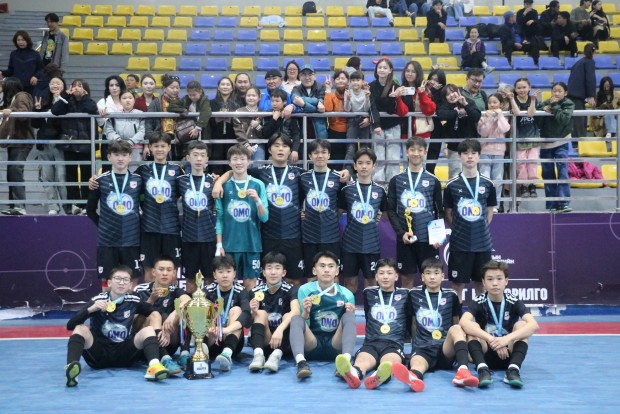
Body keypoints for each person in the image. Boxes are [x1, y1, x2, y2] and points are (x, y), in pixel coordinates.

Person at [213, 134, 305, 286]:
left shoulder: (299, 174)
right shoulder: (260, 173)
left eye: (284, 146)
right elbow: (236, 171)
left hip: (292, 234)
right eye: (276, 145)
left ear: (290, 151)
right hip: (267, 235)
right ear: (269, 150)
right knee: (263, 279)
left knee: (293, 279)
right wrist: (219, 183)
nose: (280, 149)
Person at [64, 266, 169, 387]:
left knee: (148, 330)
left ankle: (154, 367)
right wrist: (91, 309)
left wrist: (166, 325)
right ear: (109, 283)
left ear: (130, 285)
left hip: (125, 355)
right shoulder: (98, 300)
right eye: (118, 278)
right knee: (80, 328)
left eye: (125, 280)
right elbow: (70, 325)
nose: (121, 282)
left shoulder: (133, 301)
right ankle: (72, 370)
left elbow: (155, 311)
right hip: (99, 355)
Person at [392, 257, 479, 391]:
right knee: (417, 364)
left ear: (442, 276)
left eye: (436, 273)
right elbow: (413, 323)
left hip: (445, 349)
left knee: (456, 328)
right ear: (422, 277)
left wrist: (463, 351)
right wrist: (414, 347)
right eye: (428, 273)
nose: (432, 277)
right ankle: (414, 377)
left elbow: (456, 321)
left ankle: (463, 371)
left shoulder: (451, 295)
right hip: (423, 348)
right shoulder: (413, 294)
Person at [460, 260, 539, 388]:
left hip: (509, 354)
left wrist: (506, 339)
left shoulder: (513, 301)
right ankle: (482, 371)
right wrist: (491, 339)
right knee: (472, 327)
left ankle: (513, 370)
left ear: (506, 281)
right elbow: (463, 322)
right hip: (485, 354)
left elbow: (534, 325)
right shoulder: (479, 301)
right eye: (490, 279)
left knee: (521, 325)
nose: (495, 283)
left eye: (499, 278)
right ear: (483, 282)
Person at [336, 258, 410, 389]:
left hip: (394, 344)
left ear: (396, 276)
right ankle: (354, 373)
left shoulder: (405, 294)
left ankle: (378, 376)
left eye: (389, 273)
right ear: (376, 276)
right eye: (381, 273)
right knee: (361, 361)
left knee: (389, 362)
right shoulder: (368, 293)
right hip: (371, 342)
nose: (385, 277)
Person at [443, 139, 497, 301]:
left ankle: (482, 316)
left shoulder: (488, 184)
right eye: (466, 153)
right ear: (460, 156)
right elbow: (448, 213)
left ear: (479, 156)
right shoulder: (451, 185)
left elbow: (489, 211)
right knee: (457, 285)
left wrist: (480, 228)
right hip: (460, 244)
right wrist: (459, 229)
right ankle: (457, 317)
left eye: (474, 153)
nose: (470, 157)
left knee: (482, 285)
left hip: (482, 244)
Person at [289, 251, 357, 379]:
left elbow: (347, 326)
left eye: (331, 266)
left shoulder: (347, 294)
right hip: (312, 343)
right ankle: (301, 363)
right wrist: (306, 312)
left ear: (337, 271)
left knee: (349, 317)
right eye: (322, 266)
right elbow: (303, 324)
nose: (326, 270)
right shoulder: (305, 290)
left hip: (335, 345)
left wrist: (350, 313)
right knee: (296, 319)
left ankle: (345, 362)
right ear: (314, 270)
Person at [387, 137, 444, 289]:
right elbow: (391, 210)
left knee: (431, 280)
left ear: (425, 152)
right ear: (407, 152)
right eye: (412, 150)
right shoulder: (396, 180)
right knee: (406, 280)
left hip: (428, 240)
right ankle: (408, 306)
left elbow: (439, 211)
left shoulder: (433, 180)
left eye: (420, 150)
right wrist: (401, 233)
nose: (416, 153)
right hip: (406, 239)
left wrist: (437, 236)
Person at [86, 140, 142, 286]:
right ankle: (107, 302)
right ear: (109, 157)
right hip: (107, 240)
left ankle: (131, 301)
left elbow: (145, 206)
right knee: (107, 280)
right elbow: (90, 210)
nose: (120, 158)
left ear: (130, 157)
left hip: (131, 240)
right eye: (116, 155)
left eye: (124, 155)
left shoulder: (138, 180)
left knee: (132, 279)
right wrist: (103, 225)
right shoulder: (99, 181)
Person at [215, 144, 269, 291]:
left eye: (242, 159)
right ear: (229, 162)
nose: (239, 162)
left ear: (249, 161)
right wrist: (219, 245)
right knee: (227, 284)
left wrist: (257, 201)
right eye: (235, 159)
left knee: (250, 285)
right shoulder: (223, 186)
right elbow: (219, 218)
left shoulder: (258, 184)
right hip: (229, 245)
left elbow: (264, 218)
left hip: (252, 244)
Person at [338, 148, 388, 294]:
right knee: (350, 283)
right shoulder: (346, 190)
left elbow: (386, 215)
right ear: (355, 166)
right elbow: (337, 214)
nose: (364, 166)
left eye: (368, 163)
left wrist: (375, 216)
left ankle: (370, 310)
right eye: (360, 163)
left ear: (374, 166)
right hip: (350, 245)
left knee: (371, 283)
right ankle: (348, 310)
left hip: (372, 245)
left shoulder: (380, 191)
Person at [135, 132, 183, 280]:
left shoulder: (177, 170)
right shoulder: (143, 170)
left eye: (163, 146)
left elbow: (184, 192)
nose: (160, 149)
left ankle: (171, 296)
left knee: (171, 271)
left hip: (171, 228)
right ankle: (150, 296)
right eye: (156, 146)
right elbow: (133, 191)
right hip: (149, 227)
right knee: (150, 271)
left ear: (169, 147)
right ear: (150, 147)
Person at [134, 256, 191, 374]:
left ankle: (184, 354)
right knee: (154, 315)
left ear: (174, 273)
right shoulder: (140, 290)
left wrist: (173, 315)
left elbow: (187, 300)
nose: (165, 273)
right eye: (161, 269)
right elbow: (134, 322)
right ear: (153, 272)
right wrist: (150, 301)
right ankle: (164, 358)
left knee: (186, 309)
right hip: (147, 343)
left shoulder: (175, 290)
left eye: (169, 270)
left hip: (169, 338)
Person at [51, 78, 98, 215]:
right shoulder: (66, 102)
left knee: (86, 175)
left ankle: (86, 205)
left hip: (86, 144)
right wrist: (65, 96)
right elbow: (55, 111)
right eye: (74, 85)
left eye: (80, 86)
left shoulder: (89, 102)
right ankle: (74, 204)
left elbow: (91, 109)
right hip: (69, 144)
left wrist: (84, 97)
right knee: (71, 175)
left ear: (85, 89)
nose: (76, 88)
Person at [300, 140, 346, 278]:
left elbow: (341, 206)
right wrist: (301, 212)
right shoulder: (303, 177)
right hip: (309, 236)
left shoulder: (338, 178)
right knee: (311, 275)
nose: (320, 156)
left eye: (323, 152)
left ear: (329, 155)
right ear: (310, 156)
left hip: (331, 235)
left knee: (333, 275)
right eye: (316, 153)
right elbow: (297, 200)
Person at [248, 251, 300, 372]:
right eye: (269, 268)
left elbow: (296, 311)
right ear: (263, 272)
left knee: (289, 316)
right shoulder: (255, 292)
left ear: (284, 272)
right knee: (260, 313)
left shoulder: (291, 290)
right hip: (264, 340)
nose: (273, 272)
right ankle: (258, 355)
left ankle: (275, 356)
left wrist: (280, 329)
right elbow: (247, 323)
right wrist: (253, 311)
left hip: (283, 342)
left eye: (277, 268)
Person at [176, 140, 216, 293]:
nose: (199, 159)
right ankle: (191, 308)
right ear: (188, 158)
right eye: (195, 155)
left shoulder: (214, 181)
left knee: (210, 278)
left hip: (209, 237)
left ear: (207, 159)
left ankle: (209, 308)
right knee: (190, 279)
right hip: (189, 238)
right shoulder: (180, 181)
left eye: (202, 155)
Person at [202, 254, 252, 371]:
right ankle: (202, 352)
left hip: (233, 344)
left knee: (236, 310)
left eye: (228, 271)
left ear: (234, 273)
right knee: (206, 308)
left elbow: (246, 314)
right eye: (220, 272)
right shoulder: (207, 291)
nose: (225, 275)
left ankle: (226, 354)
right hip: (212, 339)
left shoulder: (241, 291)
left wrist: (226, 330)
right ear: (214, 274)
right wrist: (211, 329)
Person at [538, 82, 575, 213]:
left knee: (563, 171)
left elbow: (564, 119)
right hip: (545, 143)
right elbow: (537, 122)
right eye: (554, 91)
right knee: (548, 174)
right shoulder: (545, 103)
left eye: (559, 91)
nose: (556, 93)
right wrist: (543, 110)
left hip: (562, 142)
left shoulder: (569, 104)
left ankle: (563, 202)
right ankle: (551, 204)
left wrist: (554, 106)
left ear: (565, 93)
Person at [32, 75, 65, 215]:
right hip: (44, 144)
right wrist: (37, 110)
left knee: (61, 177)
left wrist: (60, 99)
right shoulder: (44, 102)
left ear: (63, 86)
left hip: (60, 144)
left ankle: (68, 206)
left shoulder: (66, 102)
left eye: (58, 83)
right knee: (47, 177)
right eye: (52, 83)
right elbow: (35, 124)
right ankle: (53, 206)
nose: (54, 85)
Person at [0, 77, 33, 216]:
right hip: (15, 142)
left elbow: (24, 114)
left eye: (3, 86)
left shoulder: (21, 96)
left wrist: (11, 110)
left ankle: (20, 206)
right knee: (11, 173)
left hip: (22, 141)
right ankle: (14, 206)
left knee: (15, 171)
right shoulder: (14, 98)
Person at [436, 85, 482, 179]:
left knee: (471, 173)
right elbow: (441, 114)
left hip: (471, 145)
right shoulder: (445, 106)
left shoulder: (469, 102)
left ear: (458, 91)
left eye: (453, 92)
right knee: (455, 173)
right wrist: (456, 112)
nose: (451, 95)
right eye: (448, 94)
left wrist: (465, 105)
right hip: (454, 147)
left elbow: (476, 117)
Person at [369, 58, 402, 183]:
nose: (382, 70)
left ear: (390, 70)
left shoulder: (395, 87)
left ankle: (392, 183)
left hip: (393, 126)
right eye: (380, 67)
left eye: (385, 67)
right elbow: (372, 107)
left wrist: (393, 97)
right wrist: (376, 124)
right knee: (378, 157)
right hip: (377, 127)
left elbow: (391, 110)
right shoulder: (371, 86)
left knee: (393, 157)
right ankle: (379, 184)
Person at [509, 78, 542, 198]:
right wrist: (511, 99)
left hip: (533, 137)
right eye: (519, 88)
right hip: (519, 137)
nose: (522, 90)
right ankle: (523, 185)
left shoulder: (533, 99)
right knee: (521, 163)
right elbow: (517, 113)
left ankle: (532, 184)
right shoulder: (513, 99)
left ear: (529, 88)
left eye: (524, 87)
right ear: (515, 89)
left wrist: (532, 100)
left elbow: (531, 113)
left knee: (532, 161)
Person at [478, 93, 511, 205]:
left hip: (499, 153)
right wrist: (489, 119)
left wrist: (500, 116)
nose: (492, 105)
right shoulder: (483, 116)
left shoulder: (504, 116)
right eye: (490, 102)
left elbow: (505, 129)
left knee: (497, 179)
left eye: (495, 102)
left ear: (500, 104)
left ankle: (495, 204)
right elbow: (483, 133)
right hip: (485, 151)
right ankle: (484, 203)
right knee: (485, 178)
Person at [393, 61, 436, 141]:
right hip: (405, 132)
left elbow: (430, 111)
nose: (409, 74)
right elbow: (402, 112)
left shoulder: (425, 89)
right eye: (407, 71)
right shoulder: (400, 89)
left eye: (413, 72)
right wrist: (398, 98)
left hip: (423, 133)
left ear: (418, 74)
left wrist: (422, 94)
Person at [145, 74, 183, 159]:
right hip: (159, 140)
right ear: (164, 88)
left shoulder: (182, 102)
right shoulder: (155, 103)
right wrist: (148, 142)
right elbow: (148, 125)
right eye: (172, 87)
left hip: (178, 141)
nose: (175, 90)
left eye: (177, 88)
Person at [103, 90, 145, 166]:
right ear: (120, 101)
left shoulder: (140, 114)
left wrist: (130, 142)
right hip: (118, 147)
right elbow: (109, 131)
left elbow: (142, 131)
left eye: (130, 98)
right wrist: (119, 141)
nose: (127, 100)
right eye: (124, 98)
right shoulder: (114, 115)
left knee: (135, 169)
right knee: (119, 169)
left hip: (136, 148)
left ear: (134, 100)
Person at [167, 80, 212, 148]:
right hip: (188, 129)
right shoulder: (186, 98)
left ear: (200, 92)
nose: (192, 97)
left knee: (202, 147)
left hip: (203, 130)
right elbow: (171, 107)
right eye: (190, 95)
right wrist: (184, 110)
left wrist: (198, 128)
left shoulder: (204, 99)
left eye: (194, 95)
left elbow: (206, 112)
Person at [260, 89, 301, 163]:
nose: (274, 104)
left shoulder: (291, 115)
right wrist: (274, 119)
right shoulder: (267, 114)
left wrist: (295, 150)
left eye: (277, 101)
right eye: (272, 101)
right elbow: (265, 134)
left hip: (287, 146)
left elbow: (296, 134)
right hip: (272, 148)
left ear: (284, 102)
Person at [209, 77, 239, 174]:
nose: (225, 87)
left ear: (232, 88)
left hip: (233, 137)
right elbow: (208, 122)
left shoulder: (238, 103)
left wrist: (231, 118)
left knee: (231, 164)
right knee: (216, 165)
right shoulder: (211, 103)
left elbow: (240, 121)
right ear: (218, 87)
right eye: (222, 84)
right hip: (215, 137)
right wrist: (217, 119)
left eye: (227, 84)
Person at [343, 70, 371, 171]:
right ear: (350, 82)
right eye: (353, 80)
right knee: (350, 148)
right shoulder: (348, 92)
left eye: (358, 80)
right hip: (352, 121)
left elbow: (366, 108)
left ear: (362, 81)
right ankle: (347, 171)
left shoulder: (365, 92)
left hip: (364, 121)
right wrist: (348, 99)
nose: (355, 82)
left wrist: (367, 98)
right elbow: (347, 109)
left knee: (364, 147)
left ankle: (364, 170)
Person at [568, 43, 597, 142]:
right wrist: (591, 96)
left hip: (573, 94)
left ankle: (578, 141)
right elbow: (590, 79)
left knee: (579, 119)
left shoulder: (579, 62)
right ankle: (579, 143)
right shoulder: (589, 62)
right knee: (579, 121)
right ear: (594, 51)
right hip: (577, 95)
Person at [0, 31, 43, 96]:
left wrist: (36, 76)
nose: (20, 42)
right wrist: (2, 73)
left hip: (31, 87)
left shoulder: (35, 54)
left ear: (27, 40)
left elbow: (41, 69)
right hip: (16, 87)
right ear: (15, 41)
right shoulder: (13, 54)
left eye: (23, 40)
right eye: (18, 40)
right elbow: (11, 70)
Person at [292, 64, 328, 140]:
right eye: (304, 75)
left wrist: (303, 104)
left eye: (310, 74)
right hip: (302, 129)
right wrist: (317, 102)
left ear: (315, 76)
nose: (307, 78)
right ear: (300, 76)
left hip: (320, 130)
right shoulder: (296, 88)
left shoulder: (321, 87)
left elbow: (321, 106)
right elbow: (295, 99)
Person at [325, 70, 351, 169]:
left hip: (350, 133)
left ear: (348, 81)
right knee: (334, 162)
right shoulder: (331, 95)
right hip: (333, 132)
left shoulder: (352, 95)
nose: (340, 81)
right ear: (334, 81)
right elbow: (328, 109)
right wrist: (328, 90)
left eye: (343, 78)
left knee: (348, 162)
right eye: (338, 78)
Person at [233, 86, 265, 163]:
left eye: (254, 96)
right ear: (245, 97)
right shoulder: (238, 112)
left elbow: (264, 133)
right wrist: (246, 144)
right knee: (242, 166)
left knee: (258, 167)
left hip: (258, 145)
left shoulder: (263, 113)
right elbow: (238, 130)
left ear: (259, 98)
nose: (251, 98)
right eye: (248, 95)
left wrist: (257, 126)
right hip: (242, 145)